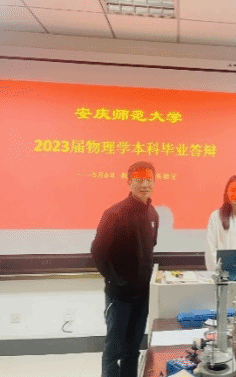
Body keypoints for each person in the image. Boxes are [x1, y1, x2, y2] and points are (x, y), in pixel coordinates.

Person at [91, 161, 159, 377]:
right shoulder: (114, 213)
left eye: (149, 180)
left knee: (133, 348)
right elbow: (98, 251)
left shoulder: (153, 215)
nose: (145, 185)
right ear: (129, 182)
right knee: (114, 349)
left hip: (142, 295)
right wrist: (114, 279)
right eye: (139, 180)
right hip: (119, 296)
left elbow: (149, 250)